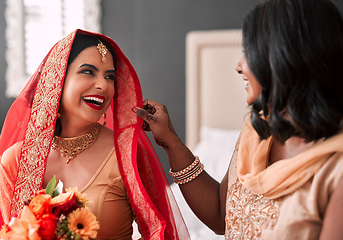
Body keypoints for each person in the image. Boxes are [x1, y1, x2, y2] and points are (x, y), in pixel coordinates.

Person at [133, 0, 343, 239]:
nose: (239, 66)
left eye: (249, 52)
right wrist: (171, 142)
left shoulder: (336, 169)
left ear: (286, 57)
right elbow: (220, 215)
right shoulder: (257, 131)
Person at [0, 29, 189, 239]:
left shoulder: (125, 154)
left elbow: (158, 232)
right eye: (88, 72)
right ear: (58, 80)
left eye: (109, 77)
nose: (103, 86)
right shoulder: (18, 161)